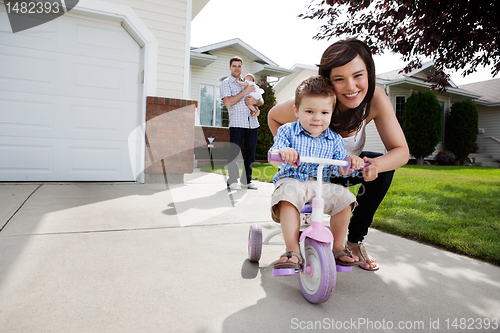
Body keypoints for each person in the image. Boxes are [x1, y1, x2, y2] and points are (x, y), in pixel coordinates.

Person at [268, 38, 409, 271]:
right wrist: (289, 152)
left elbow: (401, 151)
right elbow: (273, 116)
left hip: (340, 165)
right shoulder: (314, 100)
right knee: (291, 190)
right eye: (339, 79)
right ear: (327, 80)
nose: (351, 87)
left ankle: (351, 243)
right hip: (304, 168)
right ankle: (292, 249)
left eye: (358, 75)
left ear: (369, 73)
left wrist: (373, 165)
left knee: (382, 169)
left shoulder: (375, 100)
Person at [269, 75, 365, 269]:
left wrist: (351, 162)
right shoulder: (288, 131)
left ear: (331, 114)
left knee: (345, 198)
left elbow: (342, 167)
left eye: (324, 112)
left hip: (321, 184)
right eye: (310, 111)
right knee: (288, 196)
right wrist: (283, 152)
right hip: (292, 180)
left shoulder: (334, 139)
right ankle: (292, 250)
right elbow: (273, 156)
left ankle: (338, 247)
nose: (317, 118)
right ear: (297, 111)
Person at [220, 56, 264, 191]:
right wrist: (244, 92)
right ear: (230, 67)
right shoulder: (226, 83)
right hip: (237, 122)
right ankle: (232, 181)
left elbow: (261, 101)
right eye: (234, 66)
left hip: (252, 122)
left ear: (242, 68)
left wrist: (254, 102)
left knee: (251, 153)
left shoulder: (248, 82)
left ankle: (247, 181)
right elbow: (228, 102)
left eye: (239, 66)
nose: (237, 68)